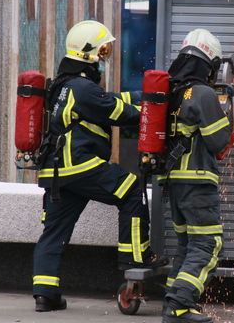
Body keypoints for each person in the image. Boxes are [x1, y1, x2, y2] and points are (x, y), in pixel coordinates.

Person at [32, 20, 167, 312]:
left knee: (53, 232)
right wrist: (153, 112)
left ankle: (45, 295)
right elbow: (121, 112)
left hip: (56, 173)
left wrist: (150, 98)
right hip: (79, 166)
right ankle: (135, 260)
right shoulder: (82, 88)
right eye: (103, 52)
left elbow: (109, 101)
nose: (104, 60)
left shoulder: (62, 86)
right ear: (88, 54)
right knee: (131, 191)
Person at [160, 29, 231, 323]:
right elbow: (218, 142)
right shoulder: (202, 93)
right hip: (198, 181)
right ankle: (179, 305)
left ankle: (172, 303)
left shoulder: (172, 91)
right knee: (207, 243)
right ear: (209, 65)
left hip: (175, 182)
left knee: (187, 245)